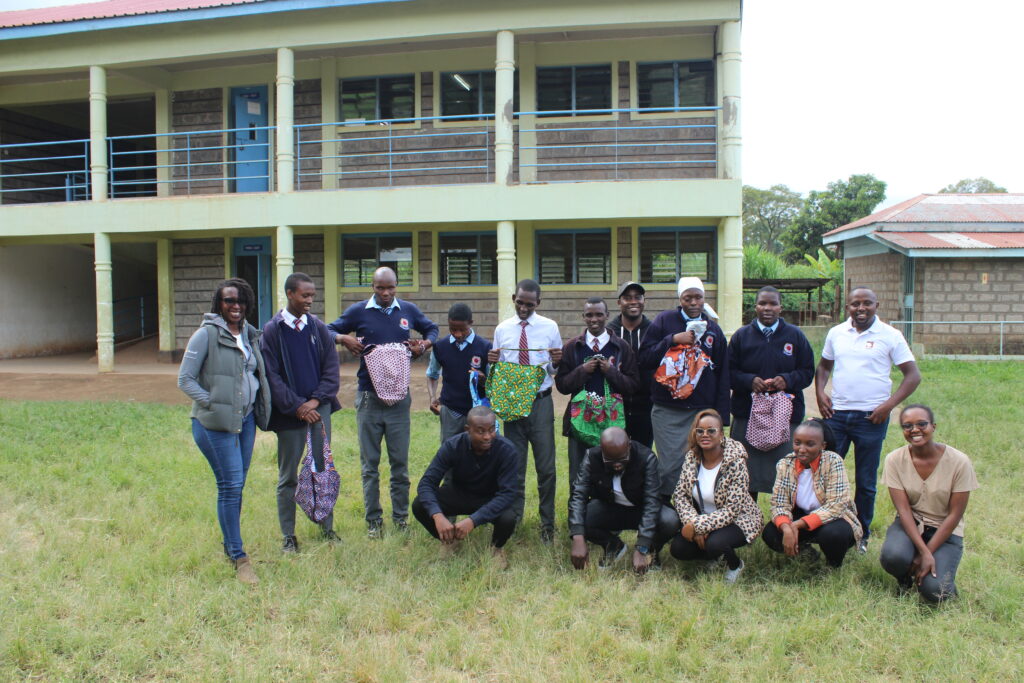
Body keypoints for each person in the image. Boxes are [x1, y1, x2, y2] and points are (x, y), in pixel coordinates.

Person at [328, 266, 439, 538]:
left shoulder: (408, 311)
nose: (386, 293)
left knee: (399, 465)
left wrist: (424, 345)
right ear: (372, 287)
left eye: (391, 288)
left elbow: (432, 329)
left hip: (400, 400)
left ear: (397, 286)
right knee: (370, 466)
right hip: (368, 398)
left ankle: (400, 519)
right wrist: (344, 339)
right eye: (380, 288)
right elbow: (327, 330)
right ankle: (373, 522)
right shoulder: (358, 312)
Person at [177, 278, 271, 585]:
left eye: (241, 301)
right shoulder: (205, 335)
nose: (235, 306)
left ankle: (231, 540)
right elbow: (185, 379)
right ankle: (238, 555)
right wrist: (213, 403)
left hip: (244, 423)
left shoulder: (248, 333)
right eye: (229, 301)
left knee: (238, 483)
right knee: (230, 485)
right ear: (219, 304)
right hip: (214, 425)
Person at [815, 287, 921, 553]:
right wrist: (820, 393)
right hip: (836, 415)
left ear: (877, 304)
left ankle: (861, 534)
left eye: (866, 304)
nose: (860, 308)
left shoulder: (890, 335)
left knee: (865, 480)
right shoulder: (837, 333)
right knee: (824, 475)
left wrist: (887, 406)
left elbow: (912, 375)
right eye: (855, 304)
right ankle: (822, 528)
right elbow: (824, 366)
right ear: (847, 307)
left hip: (871, 418)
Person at [639, 276, 730, 560]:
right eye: (688, 298)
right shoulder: (664, 322)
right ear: (679, 299)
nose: (693, 303)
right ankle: (668, 524)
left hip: (701, 412)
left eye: (698, 298)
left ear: (704, 299)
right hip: (668, 410)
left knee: (700, 469)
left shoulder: (713, 330)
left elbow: (722, 373)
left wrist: (719, 416)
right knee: (671, 469)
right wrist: (672, 340)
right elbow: (644, 358)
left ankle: (698, 525)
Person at [259, 272, 342, 553]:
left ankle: (327, 527)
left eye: (312, 295)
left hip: (319, 412)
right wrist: (297, 407)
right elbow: (271, 377)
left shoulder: (318, 328)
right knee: (289, 476)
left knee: (322, 468)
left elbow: (332, 371)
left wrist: (315, 402)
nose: (310, 300)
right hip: (289, 416)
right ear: (290, 294)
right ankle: (288, 536)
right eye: (305, 295)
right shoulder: (272, 330)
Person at [487, 279, 563, 544]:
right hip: (512, 404)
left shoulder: (550, 327)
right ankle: (514, 519)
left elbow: (555, 370)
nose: (523, 308)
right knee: (514, 466)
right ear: (513, 299)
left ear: (537, 304)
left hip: (540, 402)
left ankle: (547, 524)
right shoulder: (502, 329)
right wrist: (491, 363)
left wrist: (556, 363)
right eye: (520, 302)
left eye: (529, 304)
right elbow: (498, 370)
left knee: (546, 468)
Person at [879, 405, 978, 603]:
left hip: (946, 530)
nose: (914, 430)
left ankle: (940, 579)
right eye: (907, 426)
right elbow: (904, 510)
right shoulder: (894, 460)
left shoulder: (959, 462)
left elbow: (954, 515)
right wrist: (923, 552)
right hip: (911, 524)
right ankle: (905, 579)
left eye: (921, 424)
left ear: (933, 426)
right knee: (893, 557)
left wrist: (927, 553)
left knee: (935, 591)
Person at [727, 286, 815, 499]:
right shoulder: (741, 336)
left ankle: (782, 523)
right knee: (745, 474)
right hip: (747, 415)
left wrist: (787, 380)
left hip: (784, 417)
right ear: (754, 307)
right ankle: (745, 522)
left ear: (780, 308)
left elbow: (807, 371)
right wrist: (749, 381)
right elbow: (728, 372)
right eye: (763, 303)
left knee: (785, 474)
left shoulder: (795, 335)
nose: (768, 308)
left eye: (773, 303)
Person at [411, 407, 519, 568]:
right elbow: (426, 484)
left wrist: (473, 520)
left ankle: (496, 549)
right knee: (420, 504)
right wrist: (438, 515)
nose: (487, 436)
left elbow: (508, 494)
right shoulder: (452, 446)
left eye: (491, 430)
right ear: (468, 430)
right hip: (458, 494)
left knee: (509, 517)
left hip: (489, 498)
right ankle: (449, 541)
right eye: (480, 431)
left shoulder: (507, 450)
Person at [670, 410, 763, 583]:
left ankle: (735, 565)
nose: (705, 435)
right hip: (703, 517)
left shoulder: (735, 462)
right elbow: (680, 496)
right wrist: (694, 522)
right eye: (700, 431)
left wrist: (697, 526)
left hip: (738, 520)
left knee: (715, 543)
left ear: (721, 434)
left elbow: (732, 510)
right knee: (678, 549)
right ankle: (714, 558)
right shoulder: (692, 457)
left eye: (711, 431)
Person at [555, 297, 638, 489]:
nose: (594, 319)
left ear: (607, 316)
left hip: (611, 421)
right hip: (580, 422)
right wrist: (582, 371)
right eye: (589, 315)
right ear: (583, 317)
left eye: (599, 315)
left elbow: (633, 385)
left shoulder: (621, 347)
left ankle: (606, 514)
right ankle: (577, 516)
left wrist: (611, 372)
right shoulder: (572, 347)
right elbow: (562, 385)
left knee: (611, 471)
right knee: (577, 474)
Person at [762, 419, 862, 568]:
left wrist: (796, 525)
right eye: (797, 443)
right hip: (801, 516)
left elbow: (836, 506)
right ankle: (808, 556)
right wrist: (786, 527)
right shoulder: (785, 464)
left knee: (833, 535)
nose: (802, 449)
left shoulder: (833, 461)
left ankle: (833, 565)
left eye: (810, 444)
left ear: (823, 446)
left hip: (833, 519)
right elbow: (779, 503)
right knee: (771, 533)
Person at [568, 427, 662, 574]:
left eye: (622, 458)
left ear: (629, 447)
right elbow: (578, 496)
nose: (617, 464)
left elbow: (652, 502)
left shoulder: (646, 458)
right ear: (602, 451)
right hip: (611, 509)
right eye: (610, 460)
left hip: (640, 510)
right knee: (580, 519)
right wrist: (578, 537)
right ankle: (612, 545)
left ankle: (651, 551)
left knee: (668, 520)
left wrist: (642, 546)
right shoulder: (591, 457)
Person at [426, 303, 492, 444]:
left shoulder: (485, 347)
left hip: (478, 411)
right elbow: (432, 375)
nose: (458, 334)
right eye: (453, 329)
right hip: (451, 411)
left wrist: (483, 380)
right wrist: (432, 397)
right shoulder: (440, 347)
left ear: (471, 323)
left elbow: (493, 383)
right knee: (450, 453)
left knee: (480, 452)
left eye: (463, 329)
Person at [608, 281, 653, 448]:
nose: (633, 301)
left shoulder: (654, 330)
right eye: (627, 298)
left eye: (638, 297)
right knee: (616, 452)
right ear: (619, 302)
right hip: (615, 406)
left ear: (644, 300)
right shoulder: (609, 332)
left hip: (646, 407)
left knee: (642, 453)